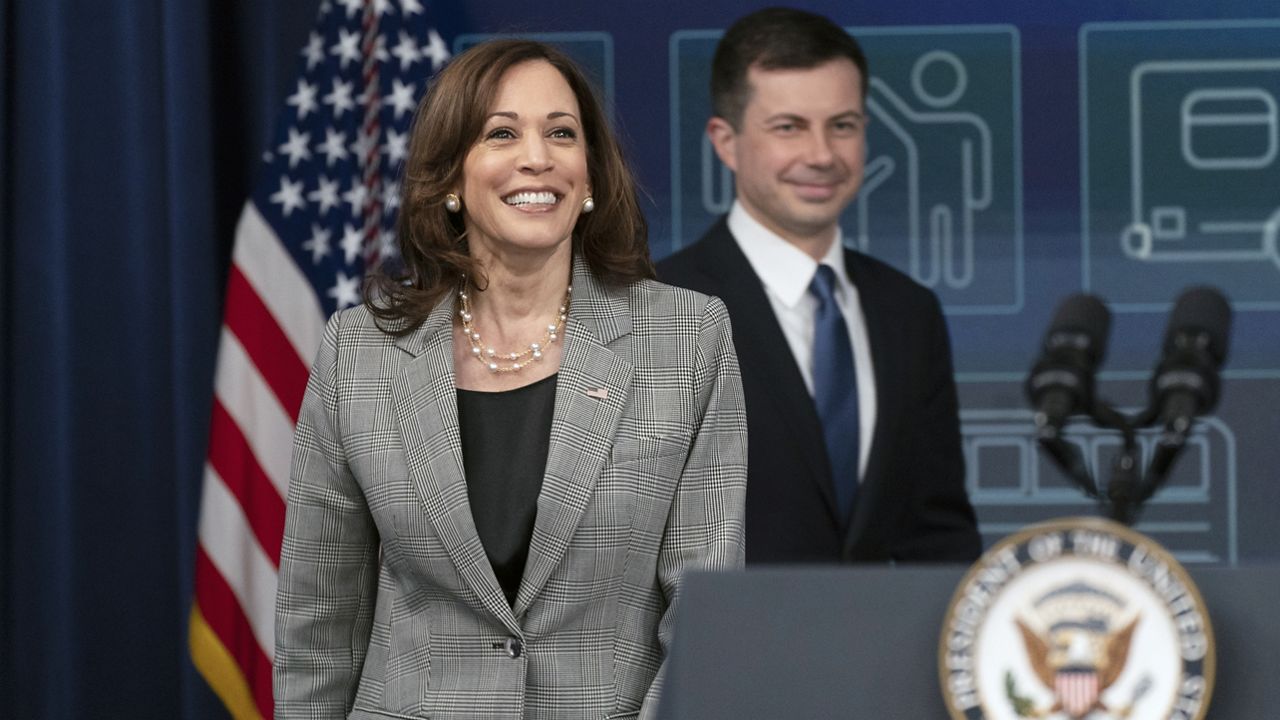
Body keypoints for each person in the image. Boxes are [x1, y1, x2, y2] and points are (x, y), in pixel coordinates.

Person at [274, 39, 747, 720]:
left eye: (562, 133)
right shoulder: (361, 352)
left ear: (588, 177)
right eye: (502, 133)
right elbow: (319, 626)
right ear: (448, 179)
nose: (538, 156)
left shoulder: (687, 338)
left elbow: (705, 619)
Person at [658, 7, 980, 564]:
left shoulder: (908, 311)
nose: (822, 155)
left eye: (843, 125)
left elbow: (938, 532)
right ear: (725, 141)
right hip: (716, 648)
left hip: (885, 649)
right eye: (789, 127)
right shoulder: (656, 304)